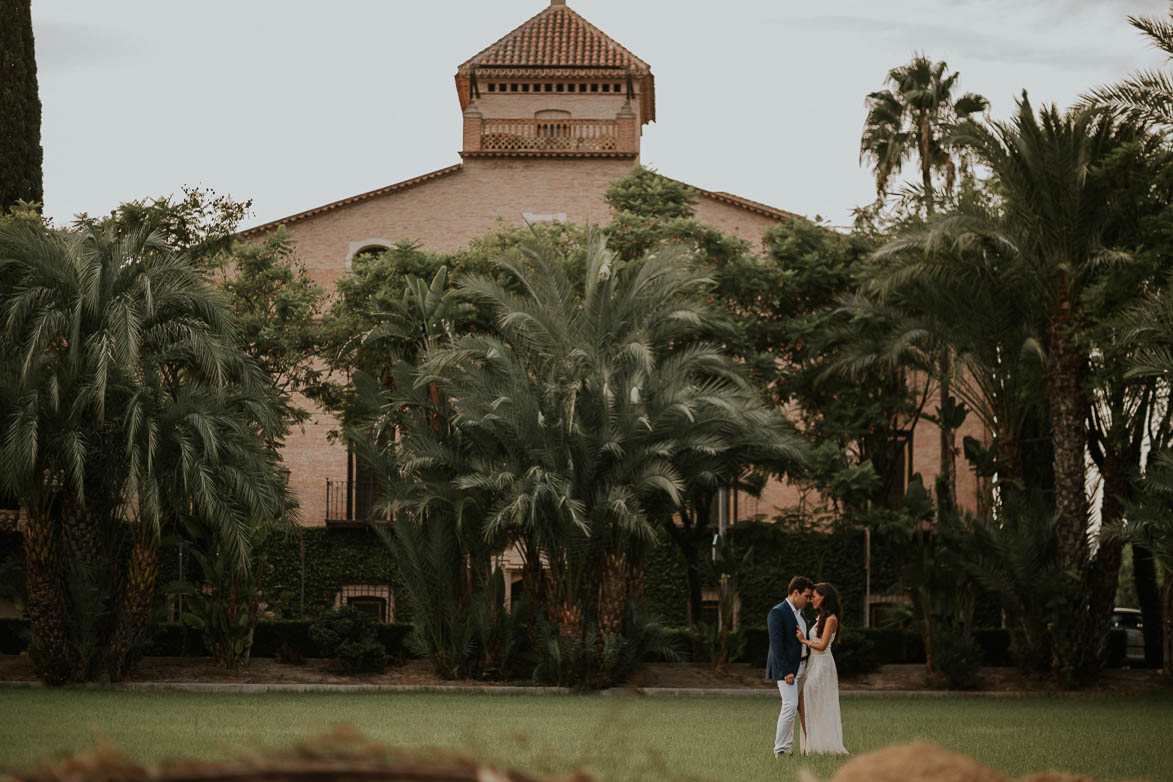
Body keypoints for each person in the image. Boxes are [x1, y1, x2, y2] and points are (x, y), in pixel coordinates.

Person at [796, 581, 848, 756]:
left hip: (823, 664)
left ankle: (817, 744)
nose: (811, 600)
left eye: (814, 597)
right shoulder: (820, 618)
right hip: (813, 663)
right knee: (804, 701)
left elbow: (823, 645)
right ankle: (812, 742)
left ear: (823, 597)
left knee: (806, 699)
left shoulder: (832, 619)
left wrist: (804, 640)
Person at [766, 575, 813, 757]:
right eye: (807, 596)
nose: (809, 600)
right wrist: (786, 671)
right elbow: (776, 644)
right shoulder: (777, 612)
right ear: (795, 593)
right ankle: (779, 749)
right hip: (787, 669)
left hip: (802, 667)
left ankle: (788, 747)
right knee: (790, 705)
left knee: (795, 707)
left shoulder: (801, 614)